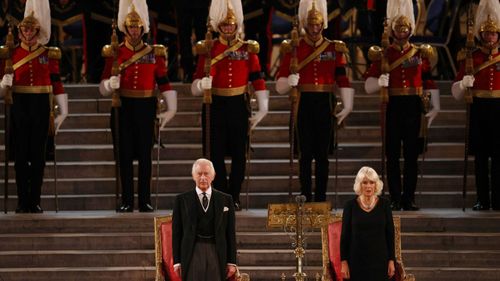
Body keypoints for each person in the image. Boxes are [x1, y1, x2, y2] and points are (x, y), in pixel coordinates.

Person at [99, 0, 177, 212]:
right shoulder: (114, 51)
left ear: (143, 28)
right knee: (123, 155)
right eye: (131, 26)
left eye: (137, 27)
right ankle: (126, 200)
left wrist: (172, 108)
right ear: (126, 28)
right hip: (122, 106)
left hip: (146, 107)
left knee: (145, 156)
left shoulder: (154, 53)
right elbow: (102, 87)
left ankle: (144, 200)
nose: (134, 31)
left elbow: (164, 82)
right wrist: (109, 84)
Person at [191, 0, 269, 211]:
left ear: (237, 25)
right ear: (218, 26)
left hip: (238, 105)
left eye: (231, 24)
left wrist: (263, 107)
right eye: (224, 25)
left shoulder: (247, 49)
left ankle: (234, 195)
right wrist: (201, 84)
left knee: (239, 154)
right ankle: (222, 195)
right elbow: (193, 85)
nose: (228, 28)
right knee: (214, 154)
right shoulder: (208, 48)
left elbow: (257, 79)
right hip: (214, 104)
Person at [364, 0, 440, 211]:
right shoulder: (384, 54)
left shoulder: (419, 53)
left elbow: (428, 79)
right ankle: (396, 198)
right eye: (399, 29)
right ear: (393, 31)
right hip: (393, 105)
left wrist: (435, 105)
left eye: (405, 28)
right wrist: (378, 82)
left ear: (410, 30)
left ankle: (409, 198)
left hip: (414, 106)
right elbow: (368, 83)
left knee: (411, 156)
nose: (402, 32)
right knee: (392, 155)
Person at [275, 0, 354, 202]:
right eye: (311, 25)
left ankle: (321, 196)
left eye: (318, 25)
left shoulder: (334, 48)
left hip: (325, 102)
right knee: (305, 153)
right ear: (305, 25)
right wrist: (289, 81)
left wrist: (348, 104)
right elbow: (279, 84)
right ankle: (305, 194)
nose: (315, 28)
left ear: (323, 24)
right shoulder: (294, 47)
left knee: (322, 155)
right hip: (303, 102)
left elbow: (342, 78)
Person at [0, 0, 68, 213]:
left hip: (40, 107)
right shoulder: (9, 54)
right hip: (19, 106)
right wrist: (4, 84)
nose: (28, 33)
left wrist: (63, 110)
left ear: (38, 31)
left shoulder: (48, 55)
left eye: (32, 30)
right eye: (25, 30)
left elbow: (56, 83)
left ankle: (35, 200)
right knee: (20, 157)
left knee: (38, 157)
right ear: (19, 33)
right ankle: (22, 201)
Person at [451, 0, 500, 211]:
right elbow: (455, 92)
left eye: (493, 33)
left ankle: (498, 199)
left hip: (499, 110)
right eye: (487, 34)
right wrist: (463, 84)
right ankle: (482, 199)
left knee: (499, 159)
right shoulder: (470, 57)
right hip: (479, 109)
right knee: (480, 159)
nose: (490, 37)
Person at [172, 158, 237, 281]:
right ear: (193, 176)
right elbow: (177, 233)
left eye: (206, 173)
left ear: (213, 176)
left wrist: (232, 261)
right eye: (199, 174)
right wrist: (177, 262)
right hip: (192, 251)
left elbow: (230, 233)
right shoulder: (181, 200)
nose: (202, 177)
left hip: (217, 251)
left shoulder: (226, 199)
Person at [340, 166, 395, 281]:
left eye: (372, 182)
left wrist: (391, 260)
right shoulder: (350, 206)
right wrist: (344, 262)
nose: (368, 186)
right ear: (359, 185)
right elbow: (345, 236)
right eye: (365, 182)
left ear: (376, 185)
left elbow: (390, 234)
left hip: (380, 261)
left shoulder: (385, 205)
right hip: (356, 261)